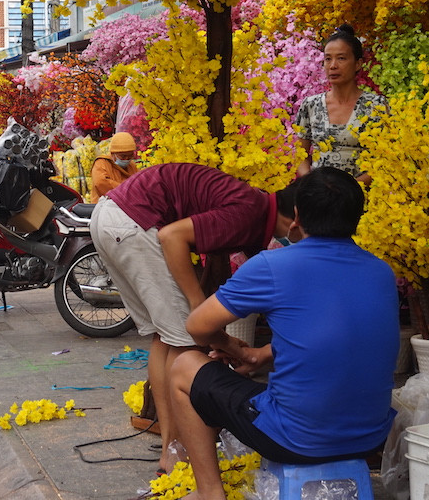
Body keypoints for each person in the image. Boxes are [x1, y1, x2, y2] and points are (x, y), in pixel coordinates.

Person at [169, 168, 399, 499]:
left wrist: (230, 347)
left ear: (297, 216)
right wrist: (258, 355)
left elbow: (197, 326)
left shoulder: (273, 265)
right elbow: (339, 338)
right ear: (356, 218)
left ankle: (209, 492)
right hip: (371, 437)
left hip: (295, 439)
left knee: (183, 365)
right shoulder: (380, 271)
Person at [90, 162, 302, 473]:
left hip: (111, 217)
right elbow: (172, 236)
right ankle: (175, 454)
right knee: (185, 342)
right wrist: (196, 305)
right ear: (296, 220)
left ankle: (170, 448)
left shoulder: (252, 207)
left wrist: (226, 340)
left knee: (164, 337)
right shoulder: (251, 210)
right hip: (133, 222)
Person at [295, 24, 387, 185]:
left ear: (358, 64)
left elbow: (385, 158)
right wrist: (310, 181)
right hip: (318, 196)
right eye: (328, 59)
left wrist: (350, 189)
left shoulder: (376, 106)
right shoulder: (310, 105)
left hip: (362, 197)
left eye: (341, 58)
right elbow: (300, 154)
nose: (333, 66)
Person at [90, 131, 139, 202]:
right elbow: (101, 183)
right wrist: (128, 191)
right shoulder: (101, 163)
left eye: (130, 156)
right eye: (123, 156)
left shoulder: (132, 165)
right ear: (113, 154)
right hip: (104, 206)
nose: (126, 159)